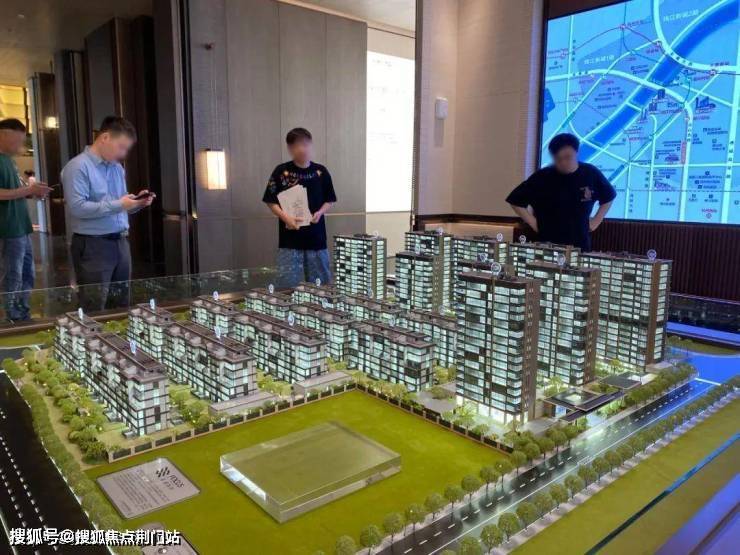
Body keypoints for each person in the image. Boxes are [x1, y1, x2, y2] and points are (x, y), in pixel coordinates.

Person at [61, 116, 154, 312]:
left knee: (121, 304)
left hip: (120, 242)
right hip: (93, 245)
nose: (123, 154)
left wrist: (137, 203)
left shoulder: (117, 168)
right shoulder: (77, 167)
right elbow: (77, 208)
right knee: (94, 305)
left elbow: (118, 206)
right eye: (121, 147)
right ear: (105, 138)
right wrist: (120, 204)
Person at [506, 133, 616, 251]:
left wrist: (596, 221)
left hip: (579, 243)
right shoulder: (542, 176)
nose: (563, 162)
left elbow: (609, 196)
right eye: (558, 159)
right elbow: (515, 200)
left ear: (577, 152)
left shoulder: (590, 173)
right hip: (547, 243)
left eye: (567, 157)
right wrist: (533, 223)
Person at [262, 128, 336, 288]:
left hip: (316, 238)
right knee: (287, 286)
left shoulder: (321, 172)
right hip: (290, 240)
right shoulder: (281, 171)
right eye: (297, 145)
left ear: (311, 145)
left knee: (320, 287)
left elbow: (330, 200)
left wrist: (320, 213)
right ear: (290, 148)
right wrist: (286, 217)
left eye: (305, 144)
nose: (302, 149)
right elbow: (270, 200)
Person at [0, 118, 52, 322]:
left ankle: (22, 314)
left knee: (26, 274)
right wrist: (28, 190)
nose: (21, 145)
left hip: (21, 228)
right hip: (8, 230)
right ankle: (11, 318)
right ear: (3, 135)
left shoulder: (9, 160)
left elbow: (15, 190)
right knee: (12, 276)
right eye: (18, 140)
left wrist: (32, 191)